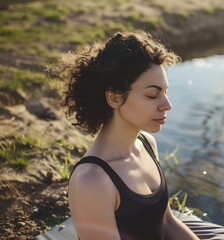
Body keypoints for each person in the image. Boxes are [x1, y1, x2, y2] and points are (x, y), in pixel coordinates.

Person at [53, 30, 200, 240]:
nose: (167, 105)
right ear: (114, 98)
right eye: (152, 94)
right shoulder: (92, 181)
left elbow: (166, 221)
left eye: (165, 92)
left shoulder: (147, 143)